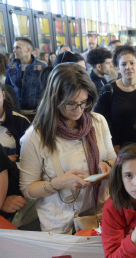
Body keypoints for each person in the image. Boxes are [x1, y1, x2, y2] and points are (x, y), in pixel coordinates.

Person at [19, 63, 116, 234]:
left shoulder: (97, 122)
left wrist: (106, 164)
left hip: (100, 214)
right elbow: (28, 190)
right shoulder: (35, 136)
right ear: (55, 99)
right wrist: (59, 182)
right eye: (71, 104)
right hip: (60, 224)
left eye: (84, 102)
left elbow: (112, 158)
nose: (79, 110)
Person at [94, 45, 136, 154]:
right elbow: (99, 121)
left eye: (132, 63)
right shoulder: (108, 90)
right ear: (117, 67)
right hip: (119, 148)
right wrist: (113, 144)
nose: (128, 67)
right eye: (123, 64)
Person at [6, 38, 47, 121]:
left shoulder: (42, 67)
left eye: (18, 47)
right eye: (14, 47)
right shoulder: (11, 66)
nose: (14, 50)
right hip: (16, 114)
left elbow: (47, 91)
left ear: (28, 50)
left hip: (36, 114)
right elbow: (7, 89)